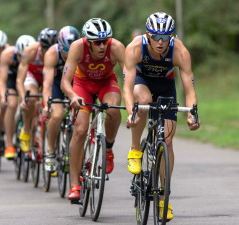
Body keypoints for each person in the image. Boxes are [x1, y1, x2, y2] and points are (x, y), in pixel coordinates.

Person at [123, 12, 201, 221]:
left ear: (171, 37)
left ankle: (163, 199)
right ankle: (135, 150)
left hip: (166, 88)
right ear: (147, 35)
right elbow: (127, 87)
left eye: (165, 37)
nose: (160, 42)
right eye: (156, 36)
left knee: (167, 141)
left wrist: (193, 113)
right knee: (144, 100)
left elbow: (189, 87)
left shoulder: (179, 51)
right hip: (141, 83)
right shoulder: (135, 48)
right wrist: (131, 112)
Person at [60, 18, 125, 201]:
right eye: (97, 42)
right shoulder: (77, 47)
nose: (102, 46)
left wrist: (131, 100)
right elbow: (65, 81)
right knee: (80, 130)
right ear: (88, 42)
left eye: (105, 41)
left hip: (107, 82)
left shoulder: (117, 47)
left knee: (113, 110)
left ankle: (109, 147)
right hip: (82, 86)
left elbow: (130, 76)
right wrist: (73, 96)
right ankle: (74, 185)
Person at [42, 26, 80, 172]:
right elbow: (47, 84)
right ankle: (51, 151)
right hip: (57, 84)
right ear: (59, 46)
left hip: (75, 83)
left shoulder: (81, 51)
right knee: (56, 115)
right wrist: (47, 104)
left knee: (81, 119)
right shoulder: (52, 53)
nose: (69, 54)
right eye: (65, 51)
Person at [16, 28, 58, 153]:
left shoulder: (59, 53)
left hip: (49, 78)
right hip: (33, 76)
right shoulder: (30, 51)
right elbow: (19, 79)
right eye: (45, 48)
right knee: (32, 98)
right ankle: (26, 129)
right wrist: (23, 98)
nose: (48, 52)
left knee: (53, 108)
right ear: (40, 45)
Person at [0, 35, 36, 159]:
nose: (22, 59)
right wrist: (3, 96)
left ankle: (33, 135)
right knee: (12, 104)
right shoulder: (7, 54)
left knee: (33, 102)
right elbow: (2, 80)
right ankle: (9, 145)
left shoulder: (36, 55)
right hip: (12, 79)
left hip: (28, 79)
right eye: (19, 55)